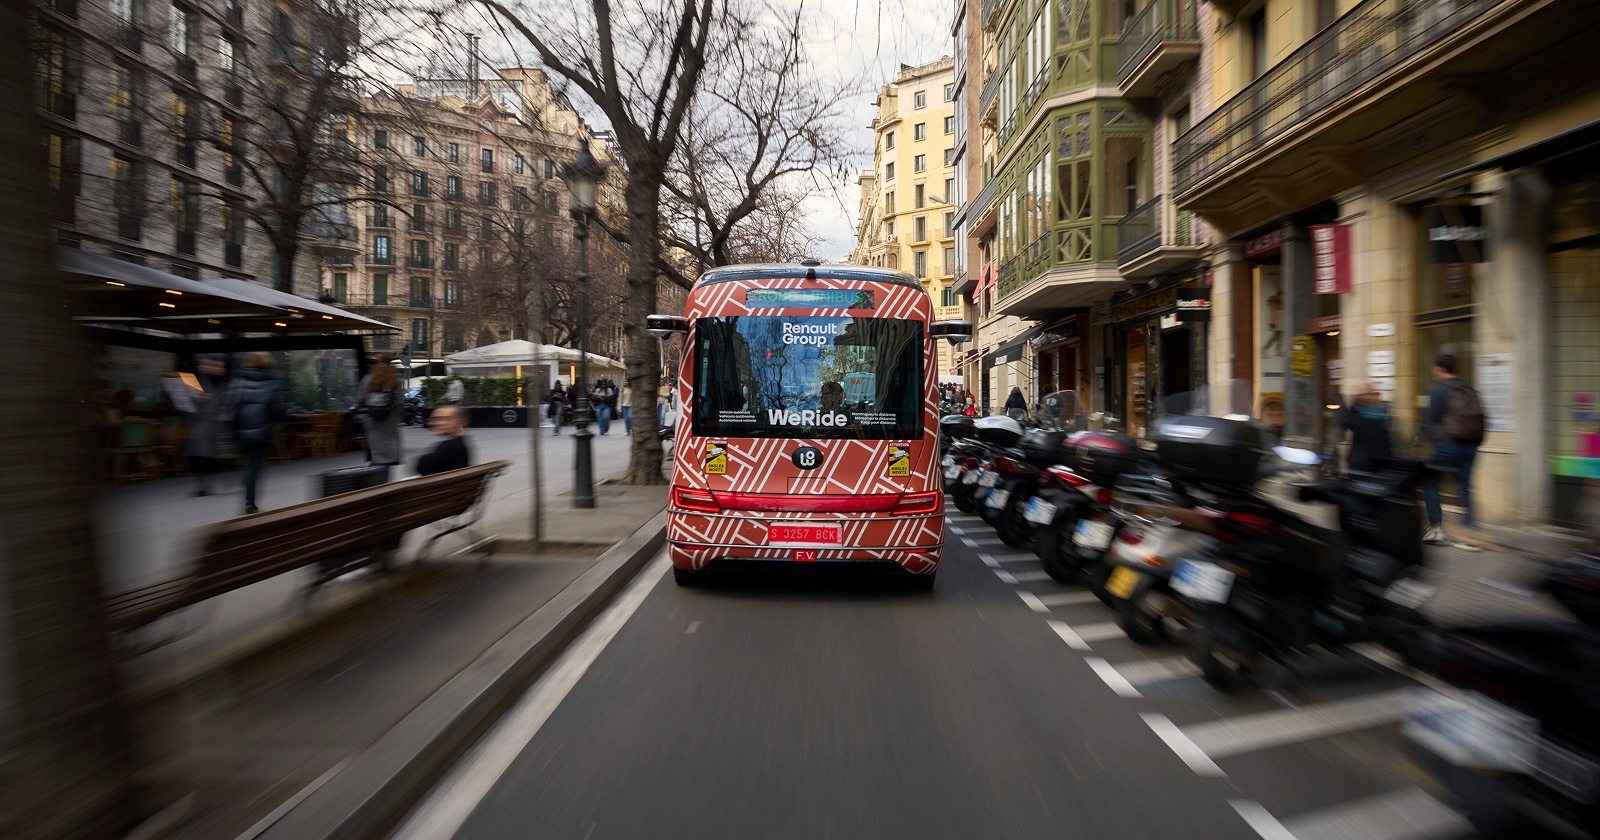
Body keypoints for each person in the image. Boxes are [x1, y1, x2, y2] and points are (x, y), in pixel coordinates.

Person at [1420, 353, 1487, 550]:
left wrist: (1424, 441)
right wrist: (1474, 444)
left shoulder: (1436, 390)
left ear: (1440, 369)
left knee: (1429, 482)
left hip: (1446, 446)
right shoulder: (1470, 390)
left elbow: (1428, 421)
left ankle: (1436, 530)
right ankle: (1469, 536)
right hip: (1470, 447)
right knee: (1465, 488)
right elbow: (1482, 420)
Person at [224, 352, 290, 514]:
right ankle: (250, 501)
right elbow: (280, 409)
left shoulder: (236, 383)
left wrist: (233, 429)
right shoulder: (273, 384)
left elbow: (229, 408)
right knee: (255, 464)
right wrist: (273, 424)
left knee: (249, 463)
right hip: (262, 432)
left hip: (240, 432)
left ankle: (248, 483)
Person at [184, 357, 230, 496]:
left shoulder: (222, 385)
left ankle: (207, 484)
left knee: (210, 455)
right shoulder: (198, 383)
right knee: (200, 455)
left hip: (214, 425)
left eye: (219, 367)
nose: (215, 369)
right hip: (201, 425)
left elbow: (225, 404)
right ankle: (203, 484)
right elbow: (190, 405)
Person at [357, 358, 404, 482]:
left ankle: (374, 480)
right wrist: (394, 419)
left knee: (376, 453)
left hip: (372, 423)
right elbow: (400, 404)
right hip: (389, 424)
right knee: (386, 456)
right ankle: (379, 483)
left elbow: (359, 401)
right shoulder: (394, 380)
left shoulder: (367, 379)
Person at [1342, 382, 1393, 476]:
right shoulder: (1355, 413)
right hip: (1361, 462)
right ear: (1360, 397)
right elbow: (1348, 423)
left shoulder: (1381, 412)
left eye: (1373, 394)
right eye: (1367, 394)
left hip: (1380, 462)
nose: (1370, 397)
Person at [416, 403, 472, 476]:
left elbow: (421, 466)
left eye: (448, 419)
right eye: (437, 419)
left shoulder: (451, 448)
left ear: (461, 422)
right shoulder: (461, 444)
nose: (439, 423)